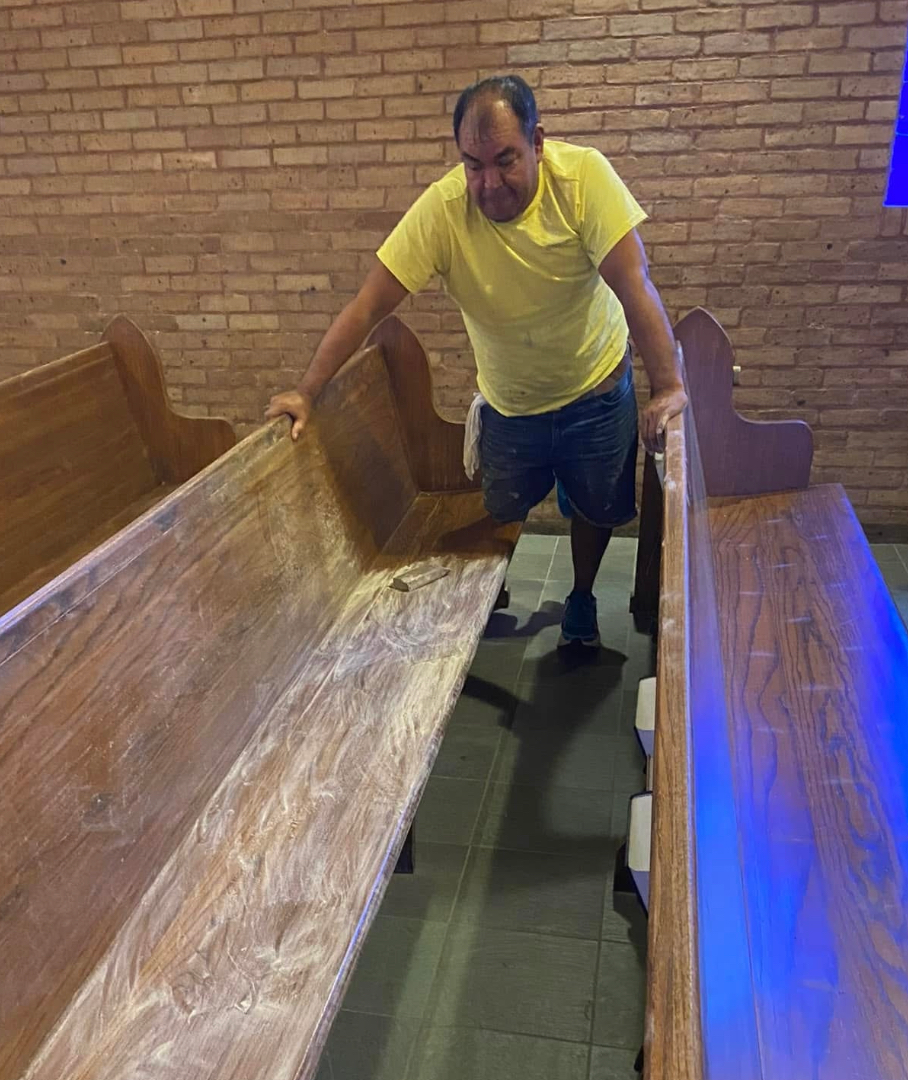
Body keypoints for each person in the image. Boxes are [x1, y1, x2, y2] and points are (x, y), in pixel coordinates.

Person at [266, 74, 687, 650]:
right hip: (511, 402)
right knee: (503, 503)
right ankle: (489, 593)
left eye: (505, 160)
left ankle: (581, 597)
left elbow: (635, 285)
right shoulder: (444, 210)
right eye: (473, 164)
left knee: (596, 508)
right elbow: (368, 305)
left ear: (538, 142)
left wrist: (667, 385)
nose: (489, 184)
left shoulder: (584, 179)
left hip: (594, 386)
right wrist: (307, 391)